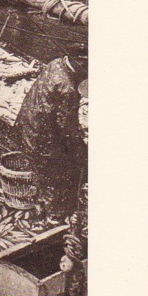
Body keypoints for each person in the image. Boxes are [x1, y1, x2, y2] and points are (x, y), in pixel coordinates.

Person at [15, 53, 88, 225]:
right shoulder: (68, 89)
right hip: (42, 141)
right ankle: (53, 218)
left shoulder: (56, 63)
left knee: (42, 174)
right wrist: (82, 154)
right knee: (55, 178)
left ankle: (41, 204)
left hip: (27, 125)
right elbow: (67, 131)